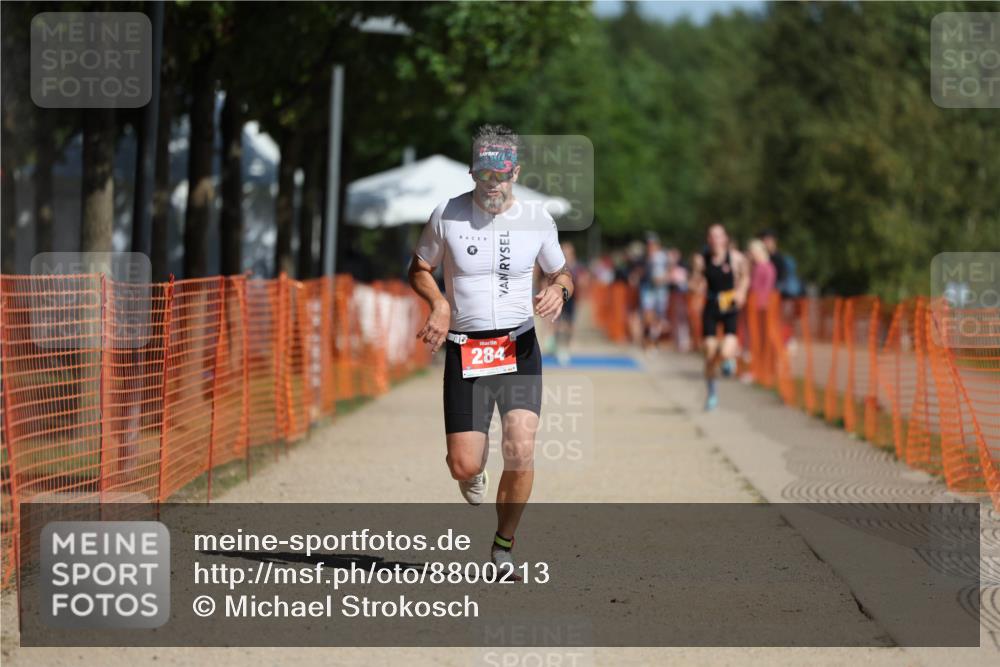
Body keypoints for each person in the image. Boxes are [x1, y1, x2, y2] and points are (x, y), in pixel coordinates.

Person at [408, 124, 574, 578]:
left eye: (501, 175)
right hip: (467, 352)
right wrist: (438, 302)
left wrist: (559, 291)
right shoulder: (447, 215)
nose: (493, 184)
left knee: (521, 448)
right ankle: (471, 472)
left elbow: (562, 273)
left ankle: (504, 546)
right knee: (464, 465)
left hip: (518, 346)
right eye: (484, 175)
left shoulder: (538, 219)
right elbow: (420, 267)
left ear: (515, 171)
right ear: (472, 172)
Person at [690, 224, 750, 410]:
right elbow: (695, 281)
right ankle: (712, 393)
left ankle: (729, 357)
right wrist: (695, 286)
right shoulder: (702, 260)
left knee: (724, 351)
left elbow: (746, 277)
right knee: (709, 351)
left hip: (730, 306)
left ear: (725, 239)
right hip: (711, 306)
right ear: (708, 240)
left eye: (718, 236)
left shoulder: (736, 258)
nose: (715, 240)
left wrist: (741, 292)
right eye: (712, 236)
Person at [745, 238, 776, 382]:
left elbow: (763, 289)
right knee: (756, 339)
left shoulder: (766, 267)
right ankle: (758, 369)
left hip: (762, 307)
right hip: (755, 307)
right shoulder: (757, 267)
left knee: (762, 339)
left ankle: (763, 369)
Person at [638, 233, 670, 348]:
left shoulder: (664, 256)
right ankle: (648, 336)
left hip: (661, 289)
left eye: (652, 244)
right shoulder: (645, 257)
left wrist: (664, 278)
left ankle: (653, 338)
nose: (650, 246)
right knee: (648, 314)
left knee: (658, 316)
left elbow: (670, 269)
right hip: (648, 288)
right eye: (648, 244)